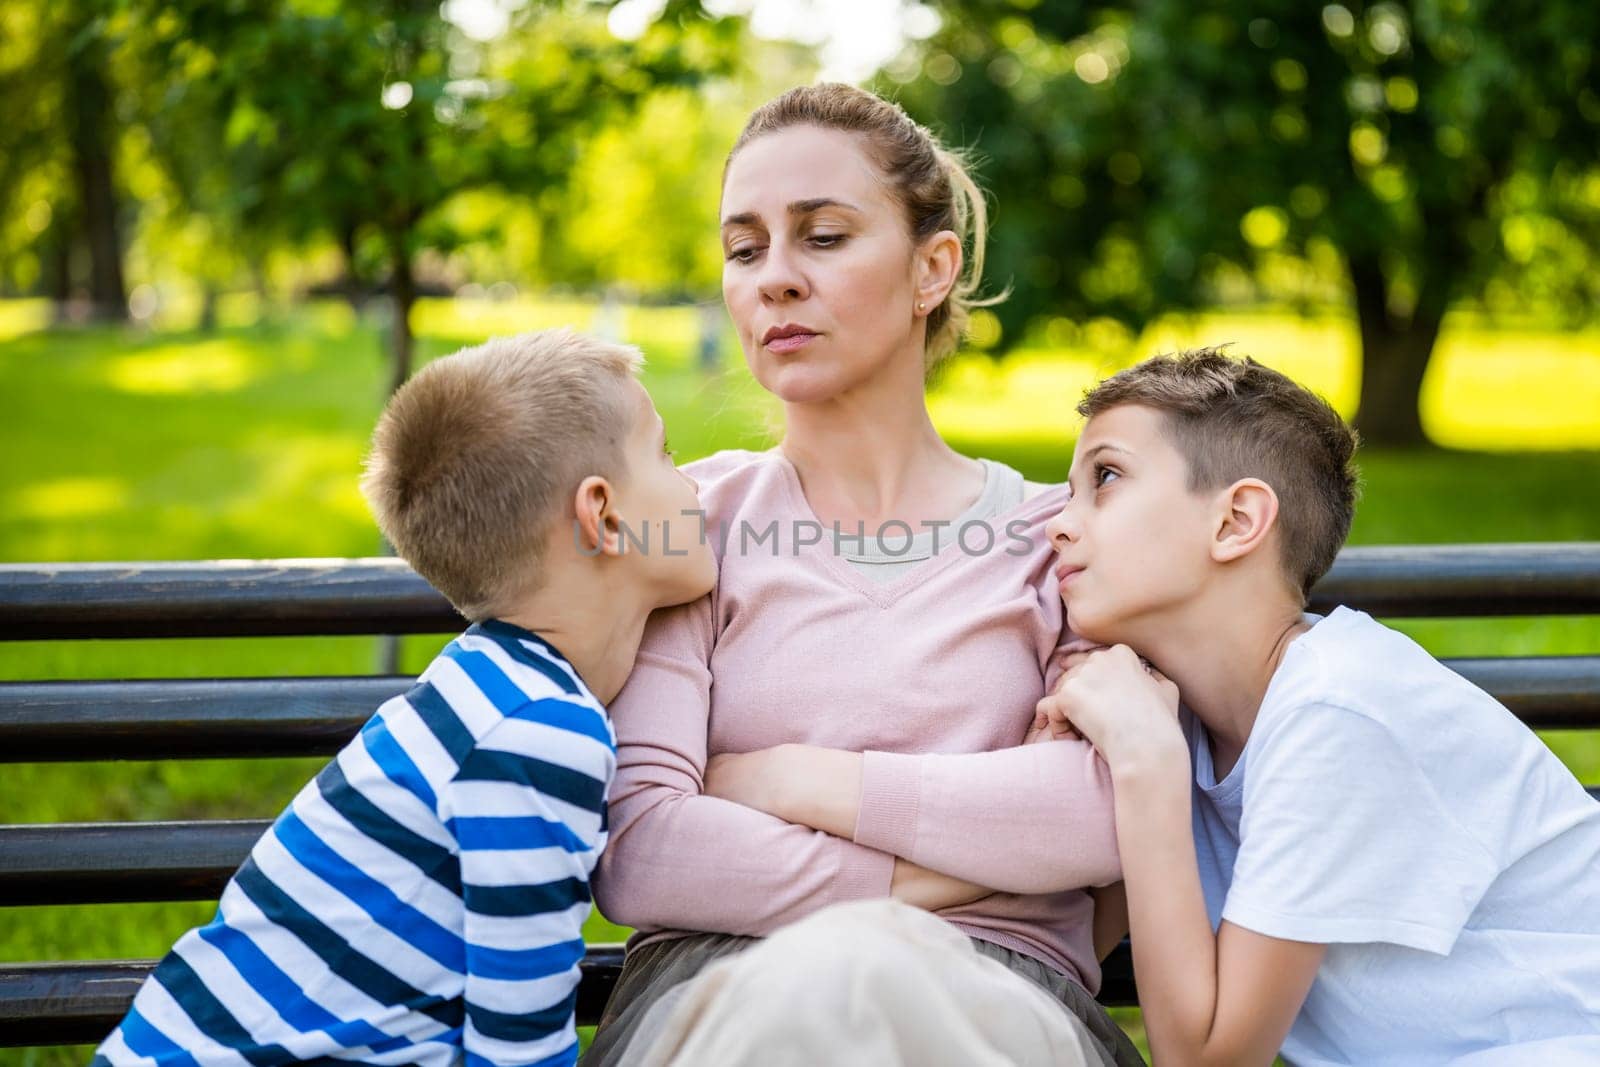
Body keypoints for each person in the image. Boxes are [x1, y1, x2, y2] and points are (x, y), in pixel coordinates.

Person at [582, 83, 1142, 1066]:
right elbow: (645, 853)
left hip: (997, 1002)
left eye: (824, 238)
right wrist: (951, 865)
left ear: (933, 267)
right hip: (716, 1000)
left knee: (866, 981)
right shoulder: (690, 526)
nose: (774, 280)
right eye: (745, 249)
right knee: (836, 982)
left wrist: (791, 779)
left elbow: (1099, 812)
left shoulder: (1063, 530)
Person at [92, 329, 716, 1067]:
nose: (697, 486)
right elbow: (519, 1052)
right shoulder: (536, 734)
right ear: (604, 516)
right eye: (668, 455)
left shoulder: (490, 692)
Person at [1034, 349, 1600, 1065]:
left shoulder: (1336, 709)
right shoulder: (1175, 712)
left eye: (1105, 478)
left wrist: (1147, 765)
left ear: (1236, 521)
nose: (1057, 523)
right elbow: (1069, 939)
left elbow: (1207, 1059)